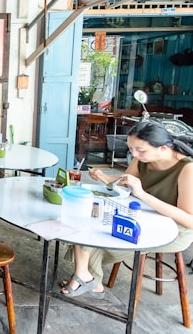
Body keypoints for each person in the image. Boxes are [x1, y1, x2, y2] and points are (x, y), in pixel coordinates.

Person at [61, 121, 193, 298]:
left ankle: (89, 278)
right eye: (131, 149)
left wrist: (143, 195)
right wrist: (102, 177)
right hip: (144, 214)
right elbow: (124, 182)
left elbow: (188, 220)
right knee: (88, 219)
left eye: (140, 150)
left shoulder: (187, 169)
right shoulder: (142, 157)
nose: (134, 154)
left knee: (102, 234)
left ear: (163, 148)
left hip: (173, 229)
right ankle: (86, 276)